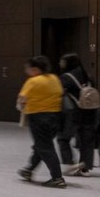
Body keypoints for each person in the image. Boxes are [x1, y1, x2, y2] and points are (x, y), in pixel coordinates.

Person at [16, 56, 67, 188]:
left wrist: (23, 107)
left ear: (35, 69)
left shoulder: (33, 81)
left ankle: (57, 178)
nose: (27, 71)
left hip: (38, 117)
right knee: (42, 145)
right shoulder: (54, 78)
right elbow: (60, 93)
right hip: (56, 117)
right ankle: (29, 170)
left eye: (28, 68)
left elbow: (22, 99)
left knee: (45, 148)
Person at [56, 52, 100, 177]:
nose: (60, 63)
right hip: (90, 112)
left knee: (63, 138)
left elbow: (59, 93)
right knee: (86, 141)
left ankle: (69, 163)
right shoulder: (88, 76)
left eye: (62, 61)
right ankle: (85, 167)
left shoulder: (65, 77)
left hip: (73, 113)